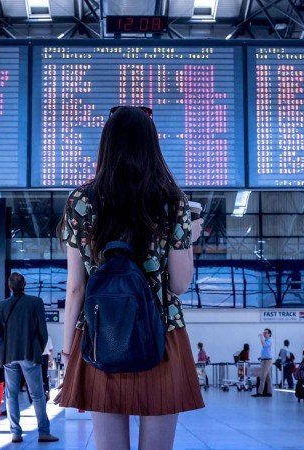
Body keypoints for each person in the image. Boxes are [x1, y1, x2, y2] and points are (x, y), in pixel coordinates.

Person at [57, 105, 204, 450]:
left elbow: (76, 287)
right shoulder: (173, 201)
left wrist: (67, 351)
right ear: (151, 145)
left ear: (107, 145)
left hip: (100, 335)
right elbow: (180, 285)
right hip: (162, 336)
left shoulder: (82, 200)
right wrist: (187, 241)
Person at [0, 272, 58, 444]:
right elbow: (43, 331)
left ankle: (15, 433)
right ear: (25, 285)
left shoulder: (1, 306)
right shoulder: (35, 302)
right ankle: (43, 432)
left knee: (11, 395)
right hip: (30, 353)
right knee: (37, 395)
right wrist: (37, 348)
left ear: (9, 287)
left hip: (8, 356)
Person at [252, 329, 274, 398]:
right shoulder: (267, 341)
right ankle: (269, 392)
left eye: (266, 333)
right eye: (264, 332)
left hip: (267, 361)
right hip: (265, 360)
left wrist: (261, 337)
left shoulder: (269, 340)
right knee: (268, 377)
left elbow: (264, 345)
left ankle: (260, 392)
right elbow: (266, 351)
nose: (264, 334)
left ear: (269, 334)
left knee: (262, 376)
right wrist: (261, 357)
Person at [42, 335, 53, 401]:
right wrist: (50, 361)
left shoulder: (33, 335)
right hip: (45, 357)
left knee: (37, 376)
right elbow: (50, 350)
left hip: (36, 357)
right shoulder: (47, 336)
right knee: (45, 375)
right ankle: (46, 391)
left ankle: (40, 393)